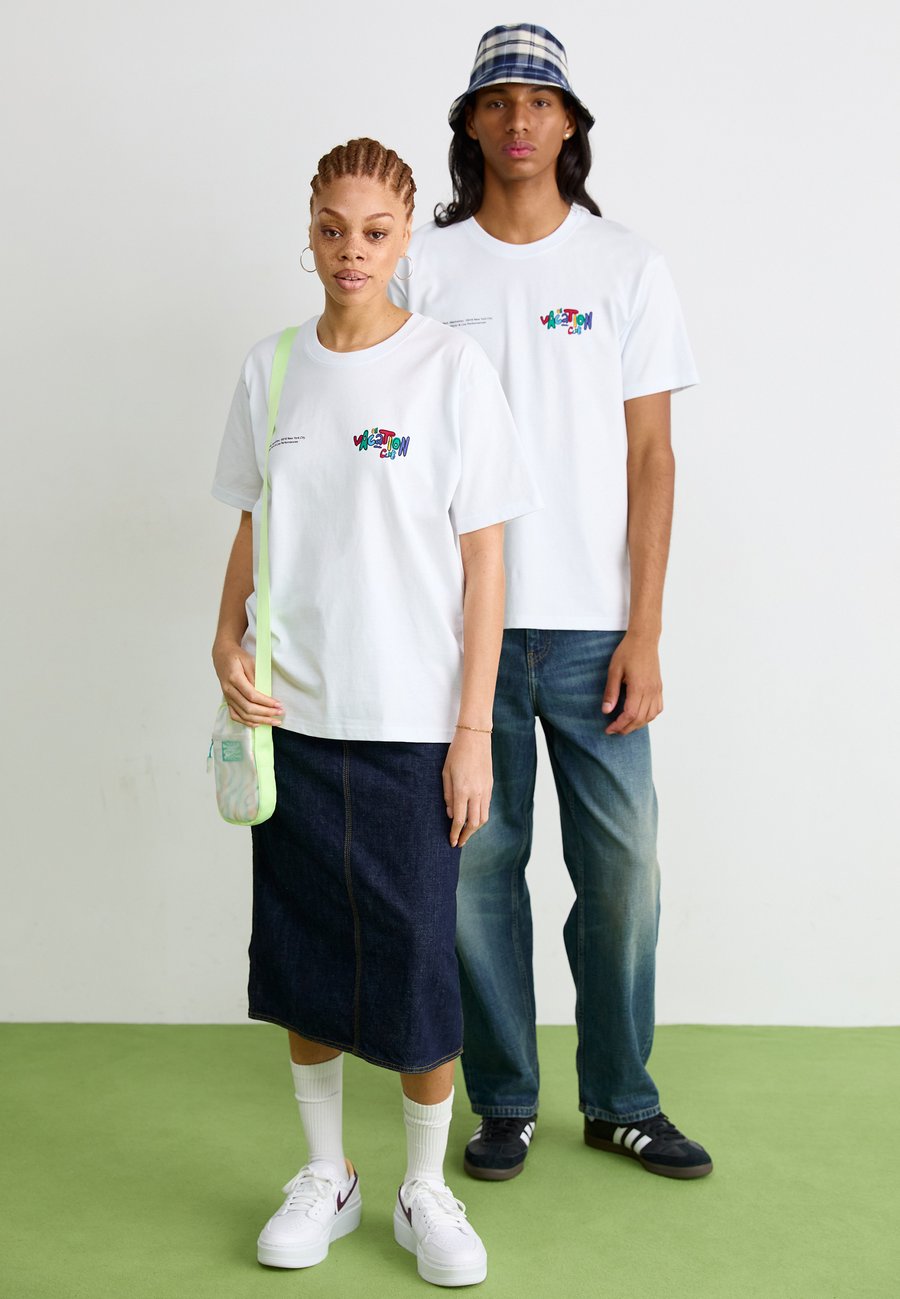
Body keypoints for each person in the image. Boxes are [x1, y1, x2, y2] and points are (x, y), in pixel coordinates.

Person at [211, 137, 540, 1286]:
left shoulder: (450, 369)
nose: (352, 251)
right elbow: (253, 520)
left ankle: (424, 1188)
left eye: (376, 232)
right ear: (308, 233)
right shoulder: (271, 369)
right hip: (291, 719)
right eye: (332, 229)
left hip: (413, 725)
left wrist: (472, 732)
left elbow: (486, 565)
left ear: (406, 238)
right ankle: (328, 1176)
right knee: (302, 952)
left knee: (415, 963)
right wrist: (223, 638)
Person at [391, 25, 713, 1182]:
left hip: (595, 635)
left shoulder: (625, 265)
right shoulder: (425, 270)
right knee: (478, 878)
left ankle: (622, 1099)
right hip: (459, 634)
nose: (519, 118)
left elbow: (654, 458)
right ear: (471, 124)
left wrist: (647, 629)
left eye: (540, 99)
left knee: (624, 875)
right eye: (497, 101)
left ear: (570, 122)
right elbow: (398, 451)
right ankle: (506, 1102)